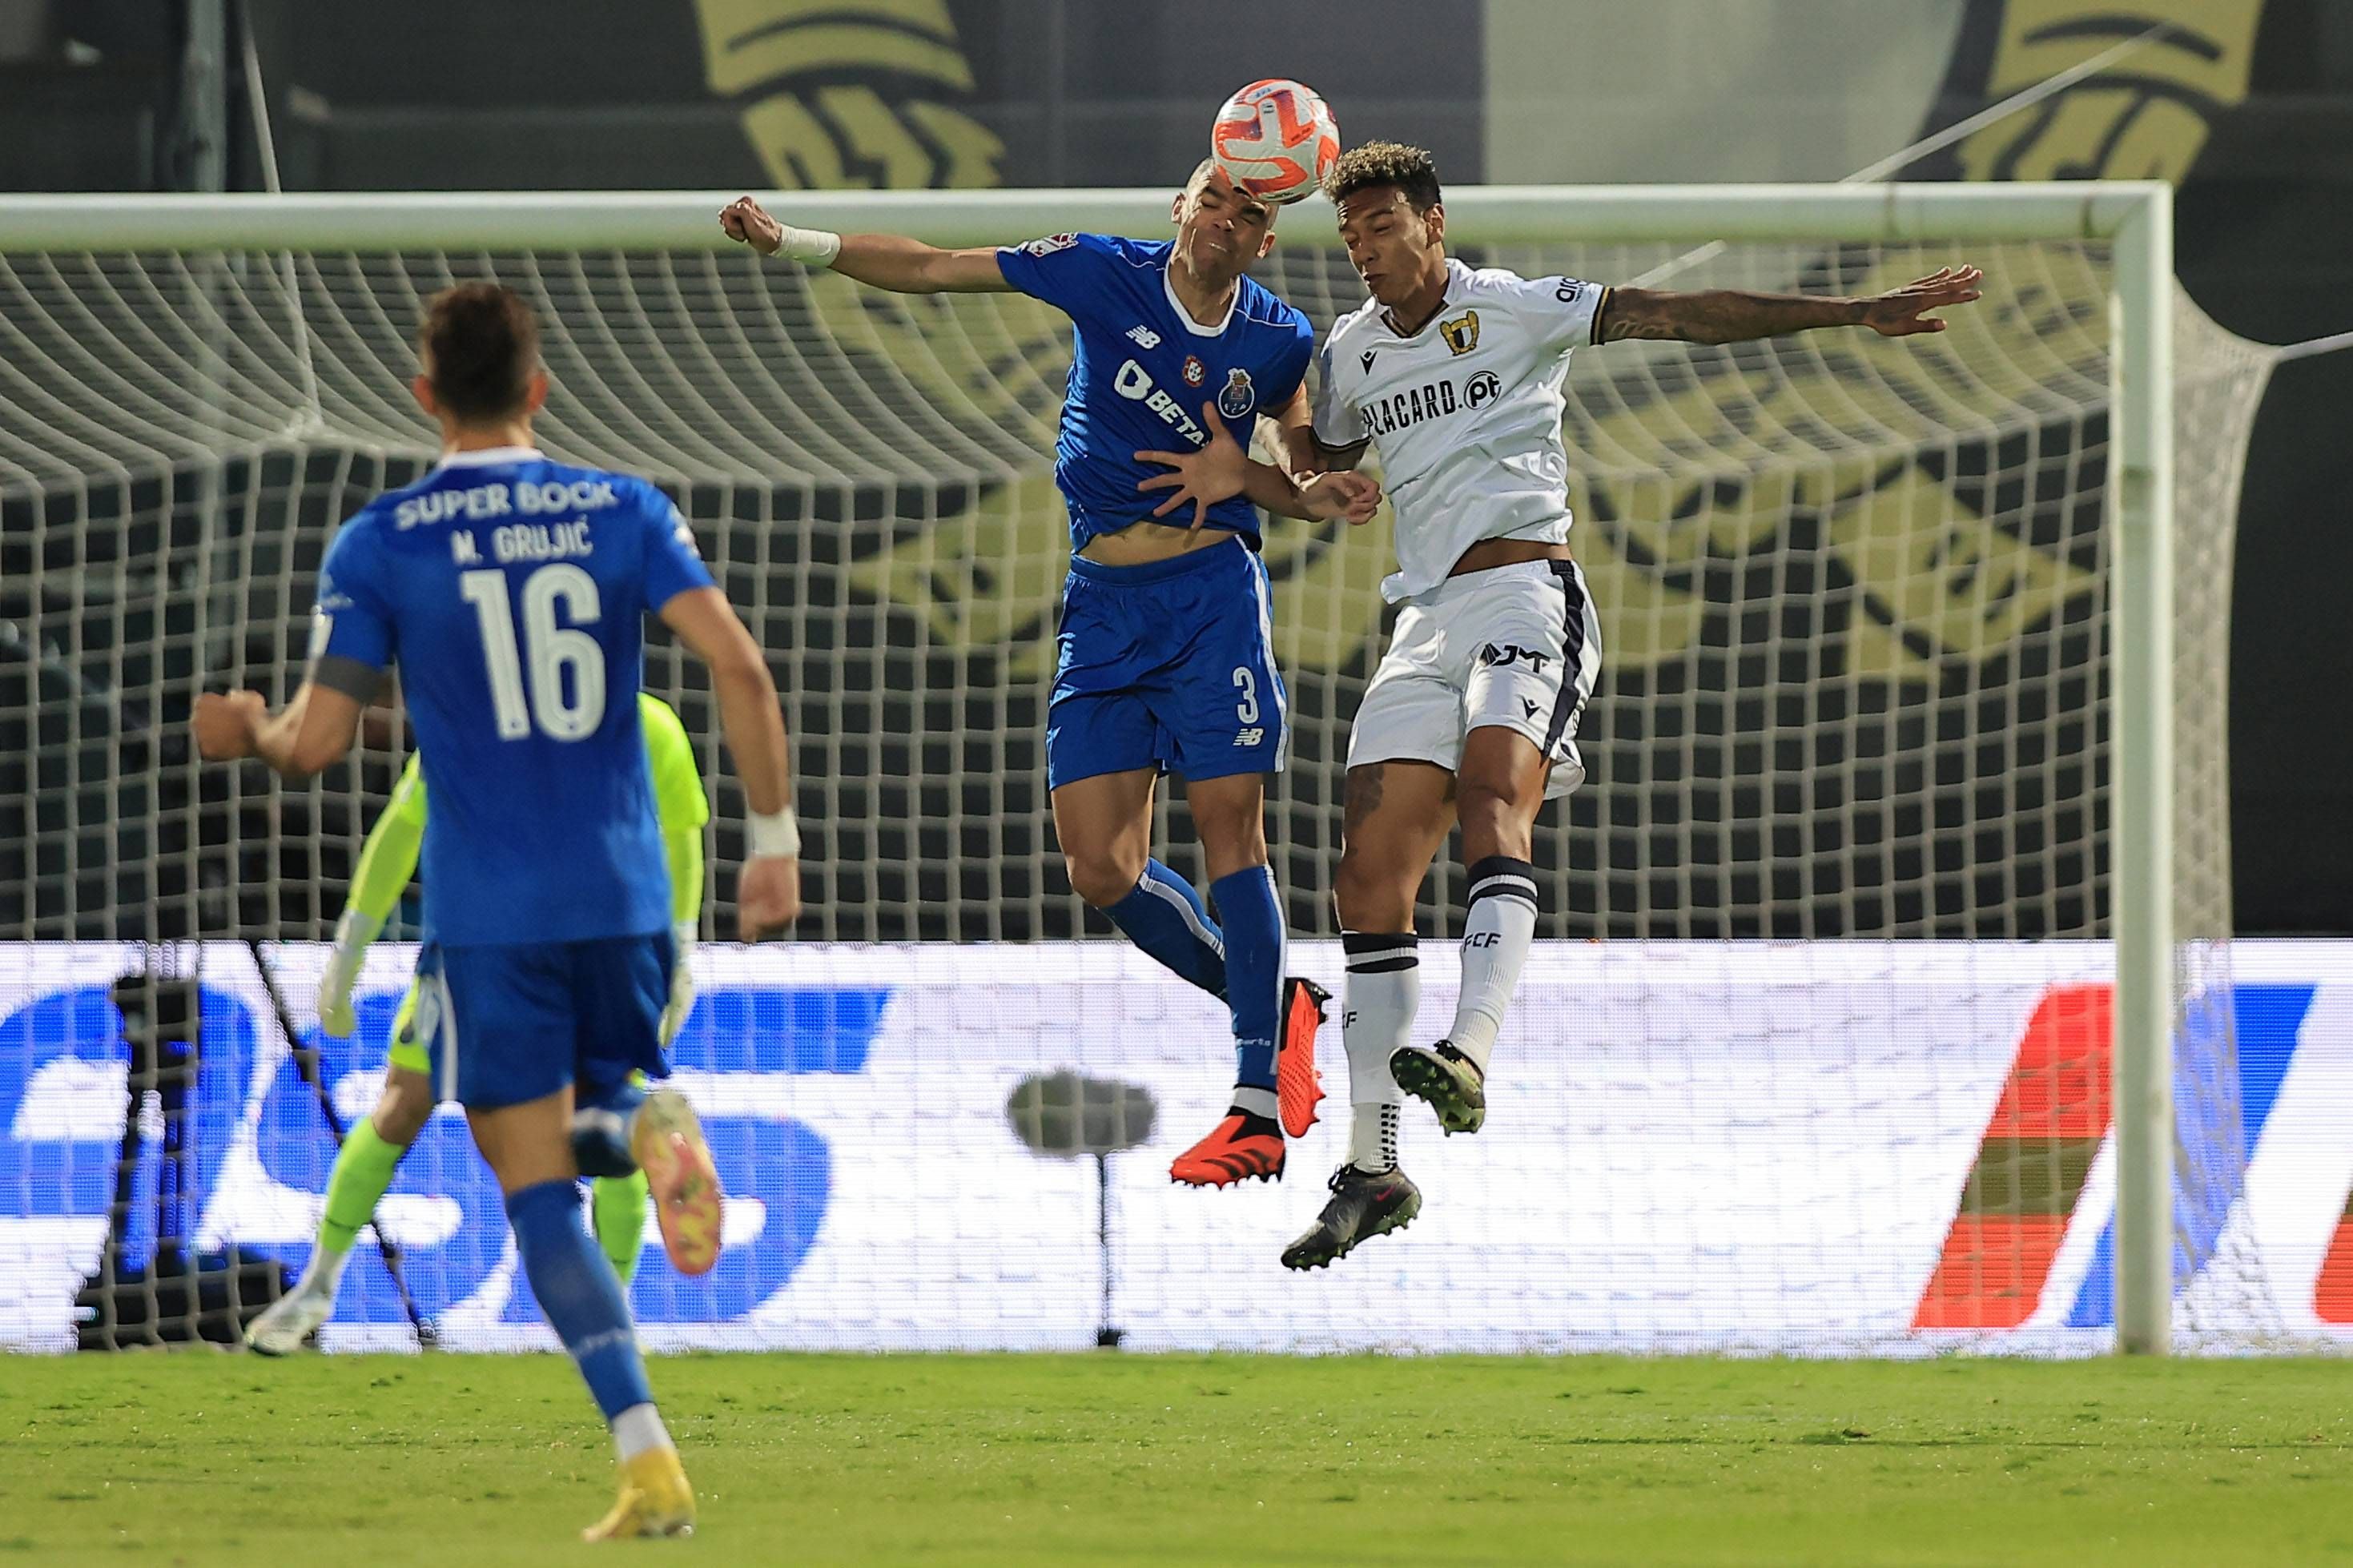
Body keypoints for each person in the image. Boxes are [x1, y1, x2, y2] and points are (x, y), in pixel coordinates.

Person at [1142, 142, 1981, 1268]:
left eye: (1381, 226)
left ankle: (1470, 1050)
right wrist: (1278, 458)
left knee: (1494, 798)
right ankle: (1374, 1166)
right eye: (1348, 235)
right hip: (1421, 621)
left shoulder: (1513, 308)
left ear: (1432, 223)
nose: (1363, 250)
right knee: (1366, 878)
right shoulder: (1348, 351)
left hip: (1526, 593)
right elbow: (1317, 452)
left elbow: (1677, 315)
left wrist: (1853, 312)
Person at [194, 281, 801, 1539]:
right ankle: (630, 1123)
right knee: (585, 1119)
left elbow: (316, 743)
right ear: (539, 388)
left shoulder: (382, 543)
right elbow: (739, 666)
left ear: (425, 396)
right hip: (629, 901)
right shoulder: (624, 509)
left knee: (532, 1196)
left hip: (492, 918)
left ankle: (647, 1453)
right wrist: (771, 843)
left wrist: (247, 728)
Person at [719, 165, 1381, 1186]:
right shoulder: (1098, 271)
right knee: (1100, 868)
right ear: (1181, 206)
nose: (1224, 218)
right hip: (1103, 605)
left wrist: (1283, 482)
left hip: (1210, 599)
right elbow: (933, 268)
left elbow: (1299, 476)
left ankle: (1254, 1100)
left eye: (1249, 212)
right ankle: (1275, 1003)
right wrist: (795, 243)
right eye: (1212, 198)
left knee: (1229, 835)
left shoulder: (1278, 337)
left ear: (1265, 241)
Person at [243, 691, 710, 1356]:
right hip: (500, 950)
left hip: (566, 952)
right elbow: (403, 828)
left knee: (600, 1126)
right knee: (410, 1106)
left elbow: (680, 840)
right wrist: (349, 949)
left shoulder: (641, 727)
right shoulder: (479, 718)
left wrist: (681, 954)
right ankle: (318, 1288)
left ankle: (611, 1315)